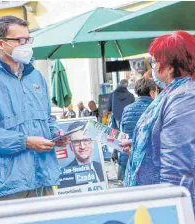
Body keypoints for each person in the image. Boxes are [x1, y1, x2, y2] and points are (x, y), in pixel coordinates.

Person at [0, 16, 69, 202]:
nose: (27, 44)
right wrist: (25, 142)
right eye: (20, 40)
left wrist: (57, 134)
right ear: (0, 44)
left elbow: (46, 119)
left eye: (28, 39)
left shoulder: (36, 77)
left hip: (42, 179)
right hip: (5, 185)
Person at [122, 31, 195, 213]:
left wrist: (166, 212)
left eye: (154, 62)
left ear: (170, 67)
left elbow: (177, 168)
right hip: (155, 196)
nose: (152, 67)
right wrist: (141, 145)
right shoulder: (172, 93)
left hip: (164, 202)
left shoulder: (184, 97)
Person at [118, 78, 158, 179]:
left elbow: (123, 132)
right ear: (152, 92)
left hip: (128, 157)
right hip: (147, 159)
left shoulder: (127, 109)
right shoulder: (156, 108)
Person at [63, 121, 104, 186]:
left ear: (93, 142)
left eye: (86, 140)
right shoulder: (65, 175)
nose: (82, 146)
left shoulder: (101, 167)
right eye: (76, 142)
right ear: (70, 146)